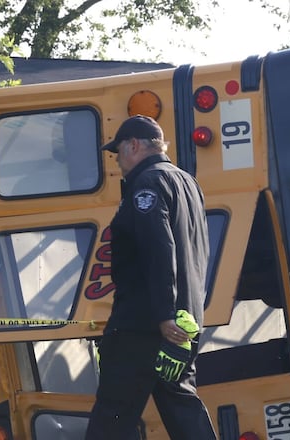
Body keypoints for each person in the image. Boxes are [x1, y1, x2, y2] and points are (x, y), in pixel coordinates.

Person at [86, 115, 216, 440]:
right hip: (184, 323)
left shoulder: (148, 185)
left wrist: (162, 314)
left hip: (144, 326)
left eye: (118, 153)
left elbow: (160, 248)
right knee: (182, 408)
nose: (117, 163)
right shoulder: (187, 182)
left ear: (133, 145)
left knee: (112, 418)